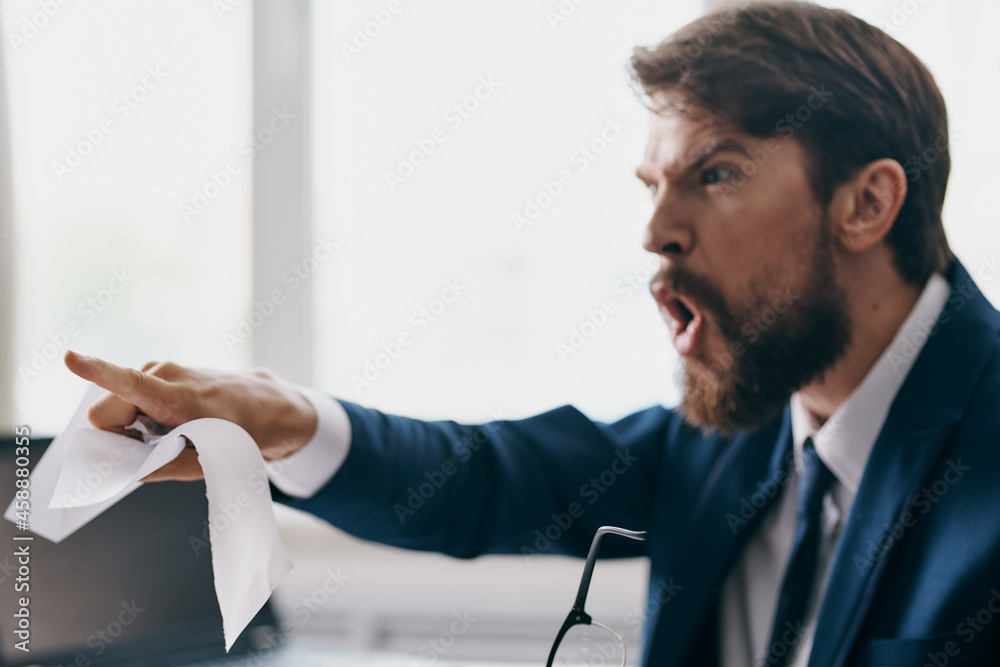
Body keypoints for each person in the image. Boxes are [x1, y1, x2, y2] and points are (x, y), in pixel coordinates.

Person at [63, 2, 1000, 665]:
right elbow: (482, 479)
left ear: (868, 202)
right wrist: (287, 423)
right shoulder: (737, 436)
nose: (655, 232)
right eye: (652, 186)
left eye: (715, 174)